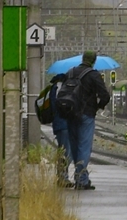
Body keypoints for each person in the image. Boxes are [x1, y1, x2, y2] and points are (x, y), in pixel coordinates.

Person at [62, 51, 111, 190]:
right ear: (93, 61)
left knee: (74, 145)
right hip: (86, 115)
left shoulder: (70, 72)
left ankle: (81, 176)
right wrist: (97, 106)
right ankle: (81, 179)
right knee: (84, 146)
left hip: (70, 114)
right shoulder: (94, 75)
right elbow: (105, 96)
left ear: (82, 59)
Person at [46, 71, 73, 187]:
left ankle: (62, 176)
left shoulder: (54, 87)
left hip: (60, 124)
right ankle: (62, 177)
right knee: (66, 153)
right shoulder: (61, 89)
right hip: (64, 125)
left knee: (64, 151)